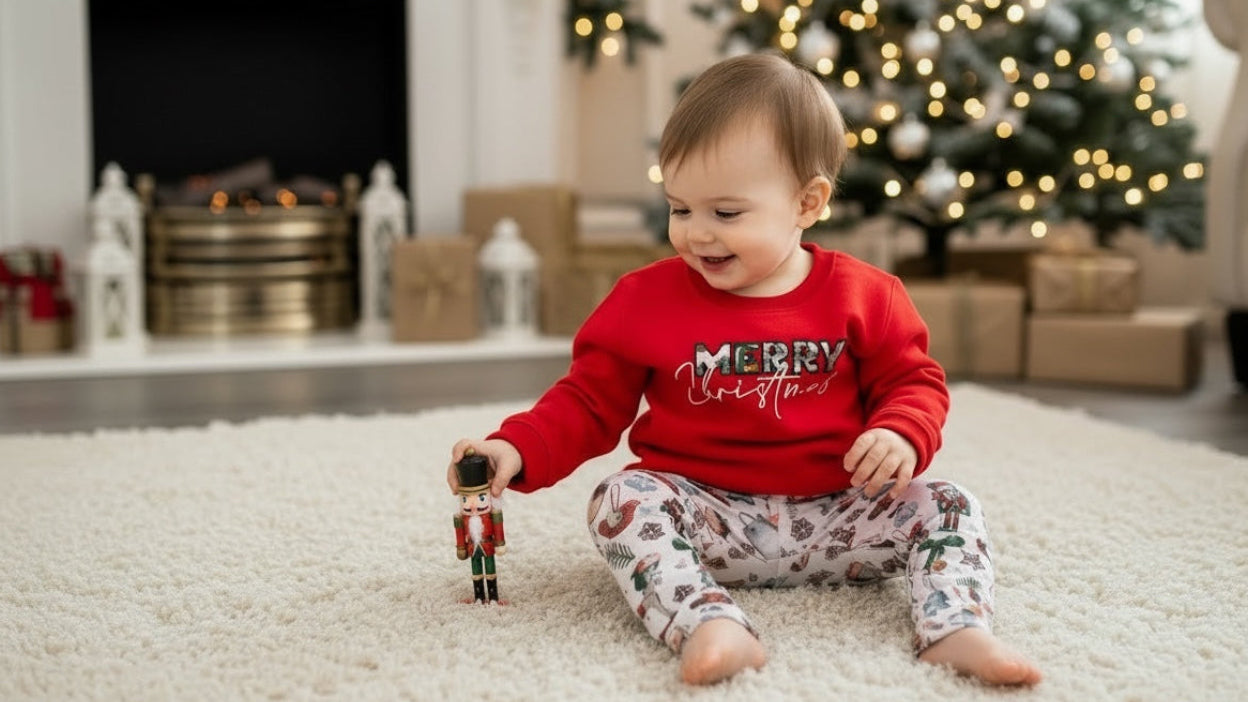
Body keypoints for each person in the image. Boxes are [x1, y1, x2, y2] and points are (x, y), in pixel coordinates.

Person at [447, 52, 1041, 687]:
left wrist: (899, 433)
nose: (697, 233)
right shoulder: (645, 300)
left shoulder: (866, 294)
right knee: (619, 499)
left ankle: (955, 628)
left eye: (725, 213)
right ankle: (708, 622)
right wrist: (516, 445)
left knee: (949, 504)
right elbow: (588, 401)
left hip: (839, 514)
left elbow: (913, 382)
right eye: (680, 209)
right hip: (708, 520)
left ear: (806, 203)